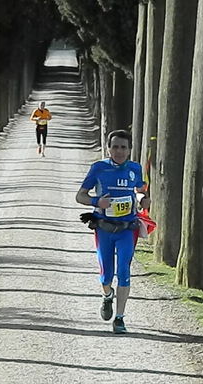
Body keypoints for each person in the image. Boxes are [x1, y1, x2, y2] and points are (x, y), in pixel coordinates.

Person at [76, 129, 151, 334]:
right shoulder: (99, 168)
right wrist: (96, 201)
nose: (119, 151)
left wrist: (143, 200)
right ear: (109, 148)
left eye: (123, 147)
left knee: (124, 272)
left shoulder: (135, 169)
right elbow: (80, 196)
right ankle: (107, 295)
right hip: (104, 229)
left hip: (127, 229)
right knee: (106, 275)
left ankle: (119, 318)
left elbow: (139, 191)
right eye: (115, 147)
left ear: (129, 150)